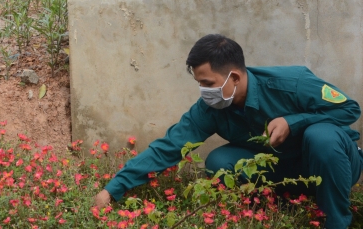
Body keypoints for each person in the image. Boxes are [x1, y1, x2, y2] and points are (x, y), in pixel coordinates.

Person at [95, 34, 362, 229]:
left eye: (207, 83)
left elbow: (349, 109)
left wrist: (294, 122)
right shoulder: (210, 108)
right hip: (283, 170)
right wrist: (113, 188)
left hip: (330, 162)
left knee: (322, 138)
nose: (203, 90)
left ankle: (337, 221)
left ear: (234, 77)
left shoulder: (292, 83)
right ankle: (278, 203)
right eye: (199, 83)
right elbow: (170, 145)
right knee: (219, 163)